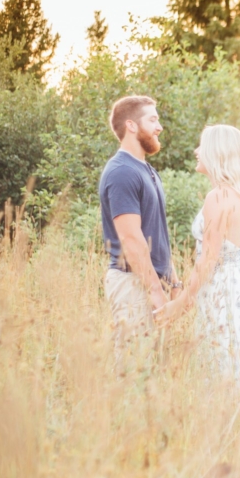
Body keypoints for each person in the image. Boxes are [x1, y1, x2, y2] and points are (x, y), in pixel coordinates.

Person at [155, 124, 240, 385]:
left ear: (217, 153)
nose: (197, 151)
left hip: (223, 293)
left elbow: (208, 260)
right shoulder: (238, 196)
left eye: (202, 146)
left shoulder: (218, 197)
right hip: (238, 289)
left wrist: (180, 302)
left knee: (224, 370)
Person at [98, 95, 179, 366]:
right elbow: (132, 240)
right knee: (133, 370)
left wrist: (174, 283)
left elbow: (158, 235)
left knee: (154, 371)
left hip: (151, 282)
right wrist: (156, 291)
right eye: (153, 120)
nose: (160, 127)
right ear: (131, 126)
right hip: (133, 284)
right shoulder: (121, 172)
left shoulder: (146, 170)